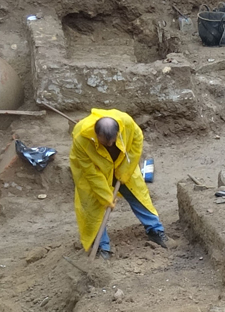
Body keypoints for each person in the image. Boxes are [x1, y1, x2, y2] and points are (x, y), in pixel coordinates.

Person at [70, 109, 166, 255]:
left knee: (139, 195)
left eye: (112, 142)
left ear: (118, 133)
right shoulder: (81, 138)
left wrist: (125, 170)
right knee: (93, 207)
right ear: (96, 135)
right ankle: (102, 246)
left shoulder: (126, 123)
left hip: (123, 165)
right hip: (96, 171)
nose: (109, 145)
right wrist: (105, 197)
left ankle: (155, 230)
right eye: (104, 143)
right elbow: (91, 173)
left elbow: (136, 140)